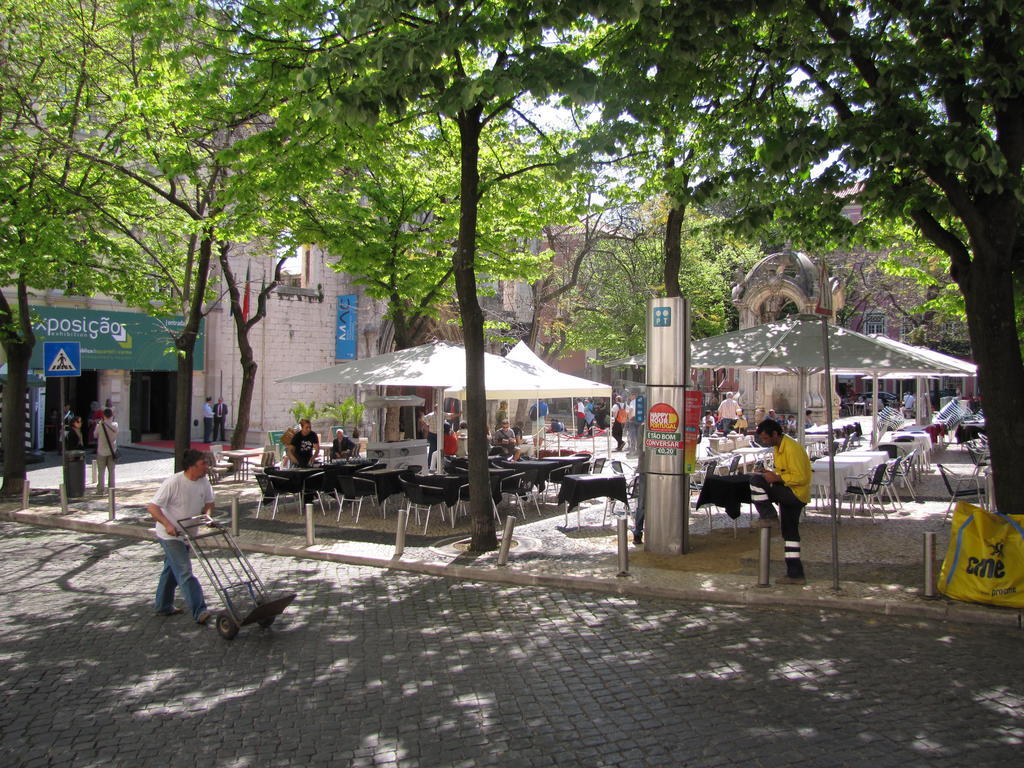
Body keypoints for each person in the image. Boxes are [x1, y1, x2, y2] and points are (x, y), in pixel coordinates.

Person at [147, 449, 213, 624]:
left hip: (188, 533)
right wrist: (167, 525)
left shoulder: (204, 481)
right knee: (184, 571)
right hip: (170, 535)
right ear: (191, 467)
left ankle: (163, 606)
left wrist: (207, 516)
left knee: (171, 569)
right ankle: (200, 610)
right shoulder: (173, 482)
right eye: (203, 464)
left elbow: (209, 502)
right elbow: (153, 507)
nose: (206, 467)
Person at [748, 418, 812, 585]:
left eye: (766, 438)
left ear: (775, 434)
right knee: (789, 533)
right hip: (791, 492)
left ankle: (768, 514)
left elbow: (800, 477)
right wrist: (771, 473)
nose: (764, 442)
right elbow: (783, 471)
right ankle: (795, 573)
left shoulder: (791, 448)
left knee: (755, 481)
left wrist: (776, 477)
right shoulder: (778, 448)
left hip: (795, 493)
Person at [93, 408, 118, 493]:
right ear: (112, 415)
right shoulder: (115, 425)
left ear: (103, 416)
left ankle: (100, 489)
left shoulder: (100, 425)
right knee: (111, 471)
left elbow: (95, 435)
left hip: (101, 451)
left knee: (101, 471)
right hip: (112, 451)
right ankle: (111, 489)